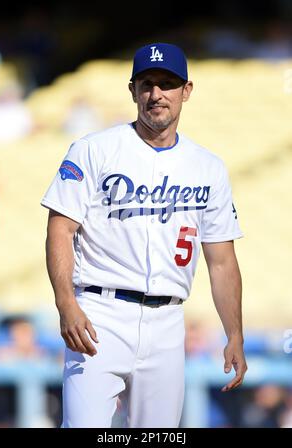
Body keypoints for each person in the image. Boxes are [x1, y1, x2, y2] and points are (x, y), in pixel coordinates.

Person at [41, 42, 247, 428]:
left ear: (186, 91)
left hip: (168, 321)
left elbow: (221, 260)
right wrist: (66, 303)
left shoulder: (209, 167)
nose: (156, 94)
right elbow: (60, 228)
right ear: (133, 90)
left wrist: (234, 333)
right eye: (147, 83)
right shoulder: (93, 150)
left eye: (167, 83)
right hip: (100, 314)